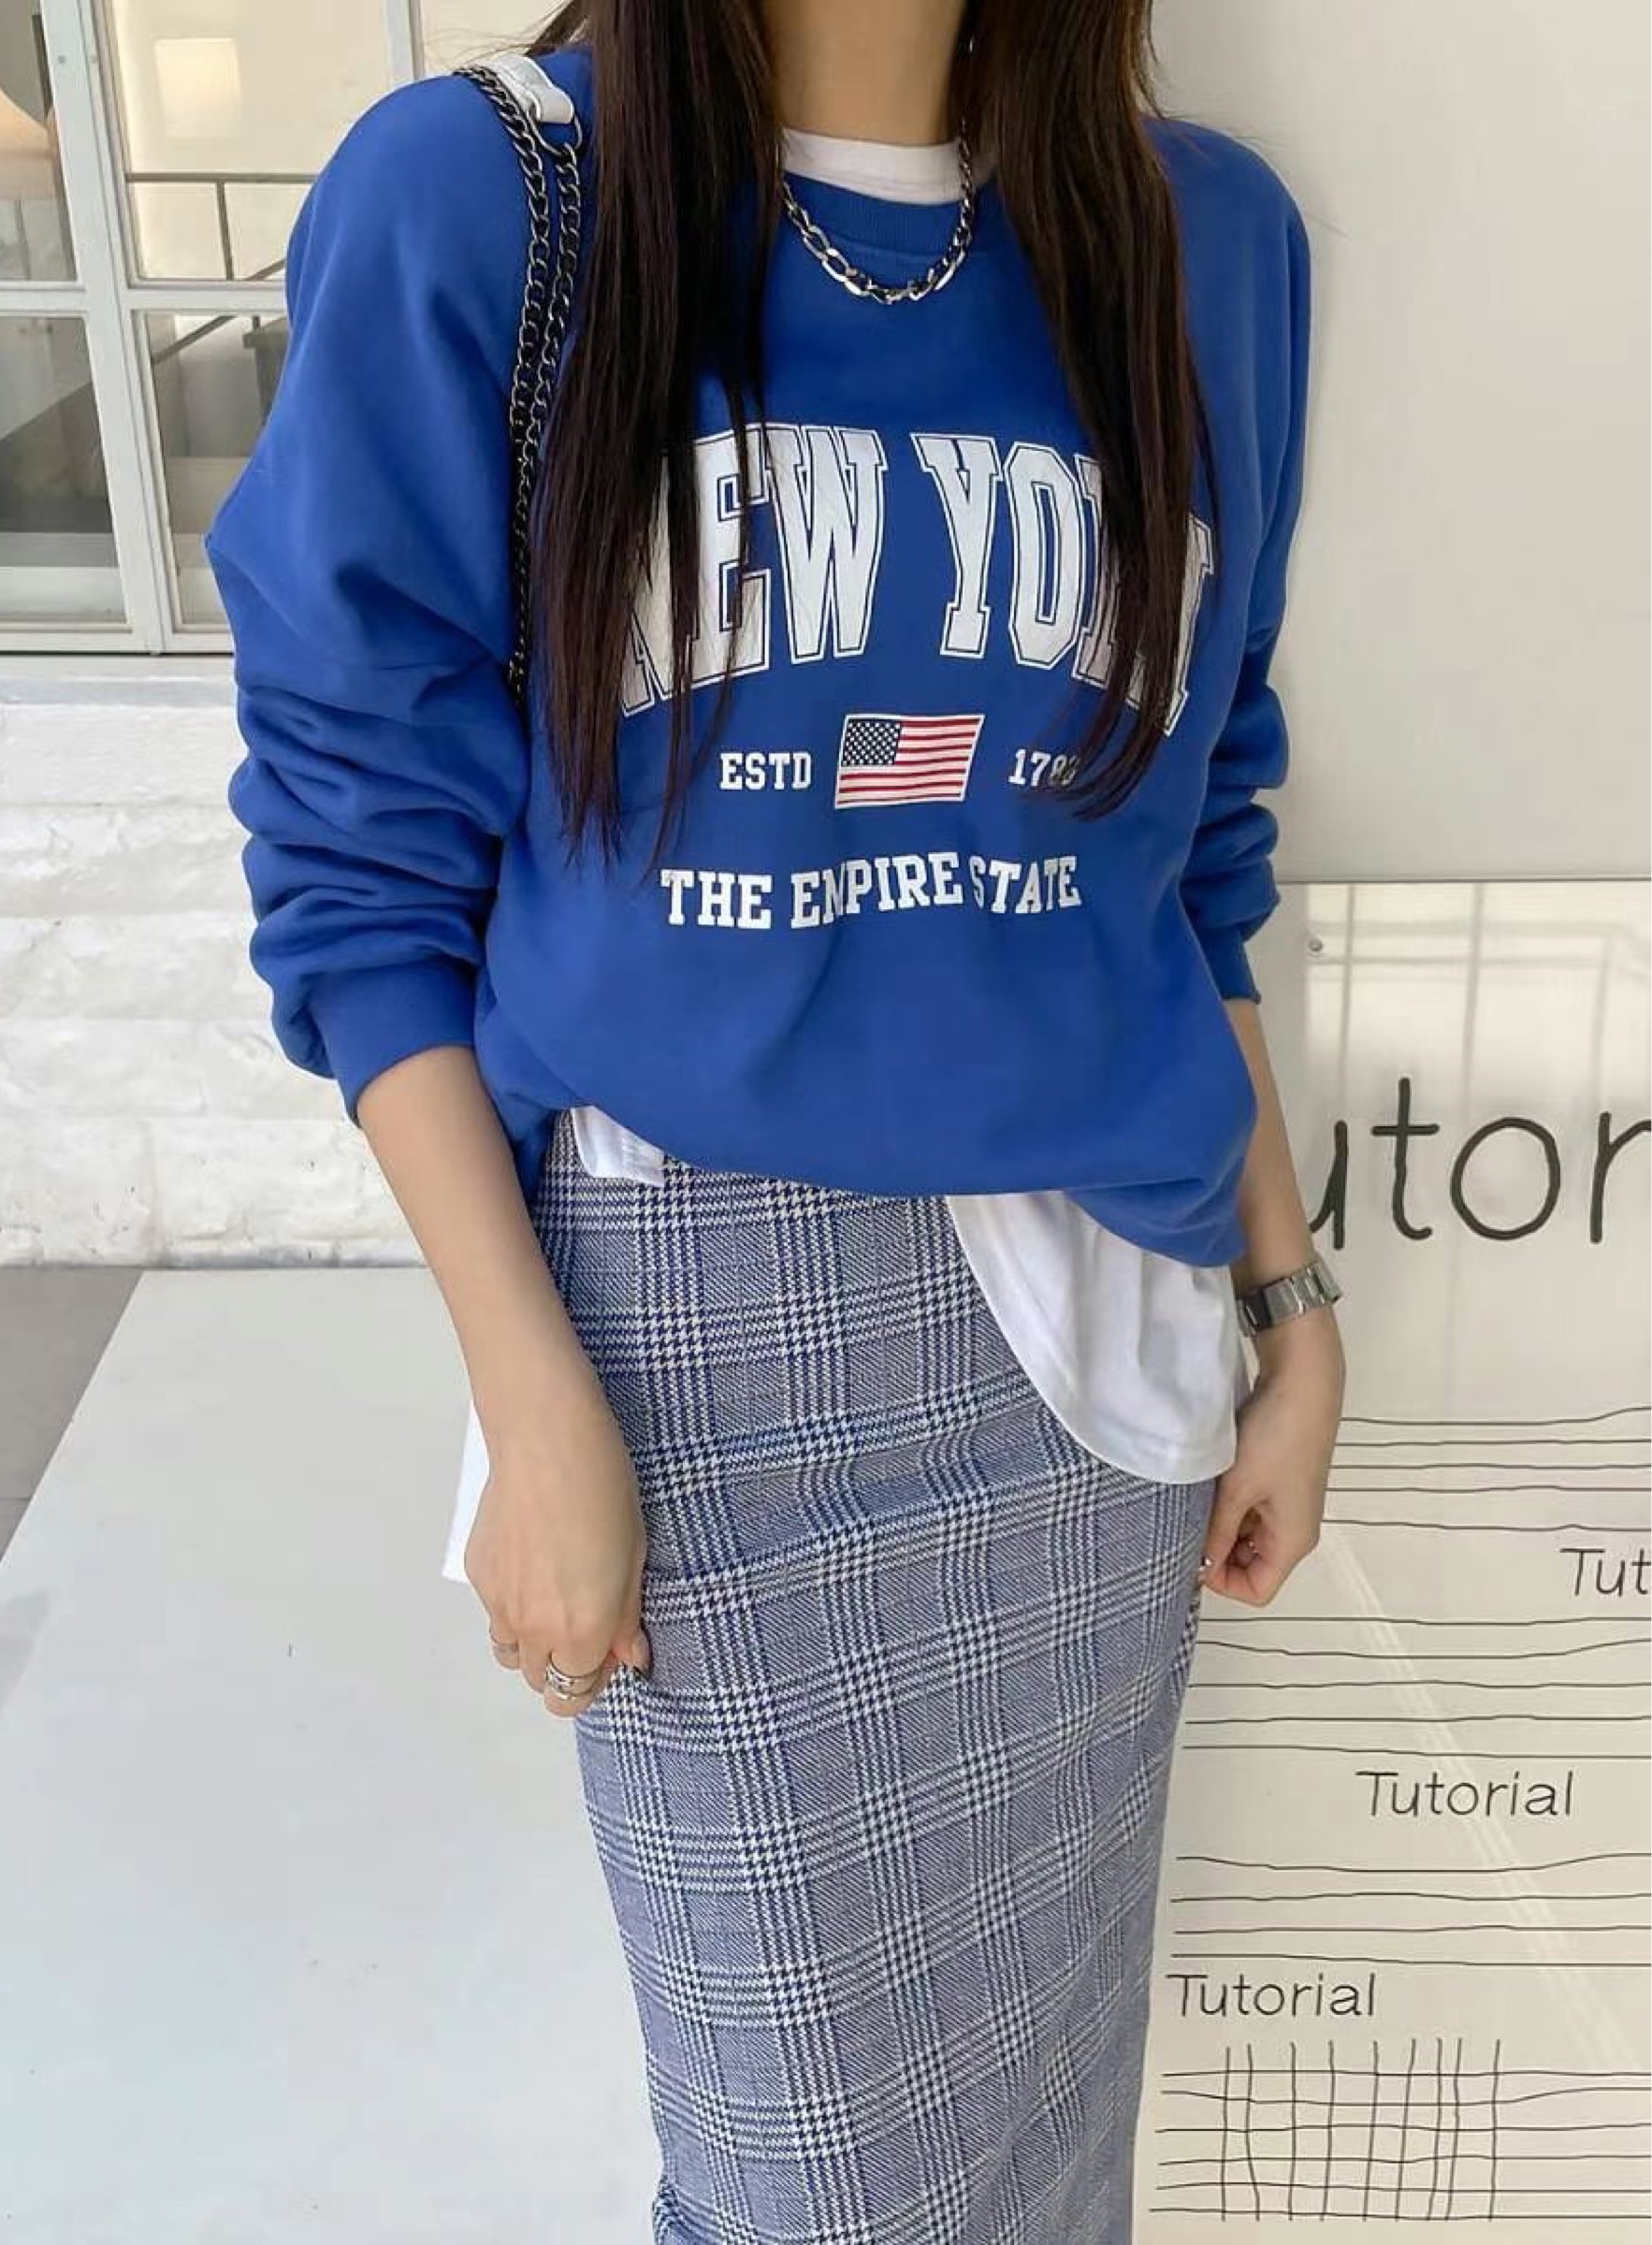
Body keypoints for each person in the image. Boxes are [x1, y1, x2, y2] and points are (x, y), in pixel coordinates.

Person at [205, 4, 1346, 2237]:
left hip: (1098, 1353)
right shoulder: (487, 199)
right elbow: (359, 877)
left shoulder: (1204, 242)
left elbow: (1191, 848)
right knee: (799, 2188)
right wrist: (527, 1393)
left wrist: (1282, 1300)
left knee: (1037, 2154)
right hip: (691, 1340)